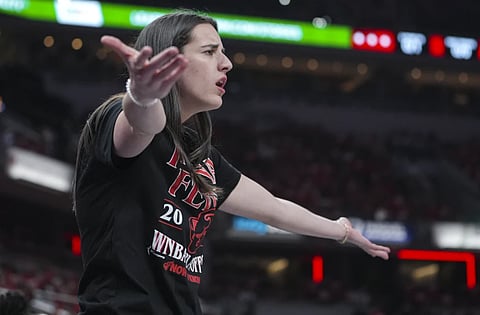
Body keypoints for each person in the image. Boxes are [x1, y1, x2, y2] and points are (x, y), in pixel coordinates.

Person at [73, 9, 390, 315]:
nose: (226, 64)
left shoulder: (201, 157)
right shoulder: (119, 117)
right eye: (210, 52)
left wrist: (342, 231)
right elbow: (142, 125)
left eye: (222, 53)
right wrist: (141, 95)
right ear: (169, 58)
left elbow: (274, 209)